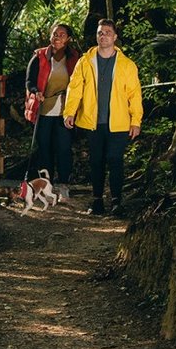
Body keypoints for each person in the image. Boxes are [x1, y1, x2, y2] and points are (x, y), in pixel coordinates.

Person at [63, 18, 142, 215]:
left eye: (107, 32)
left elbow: (135, 94)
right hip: (93, 122)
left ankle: (117, 202)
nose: (103, 35)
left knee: (115, 159)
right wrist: (70, 112)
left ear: (115, 37)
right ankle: (97, 200)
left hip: (120, 123)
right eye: (100, 32)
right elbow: (74, 89)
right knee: (96, 160)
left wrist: (136, 121)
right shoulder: (85, 62)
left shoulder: (127, 65)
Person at [24, 23, 80, 195]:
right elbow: (29, 81)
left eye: (62, 35)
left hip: (65, 110)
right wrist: (36, 91)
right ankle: (45, 183)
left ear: (68, 39)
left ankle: (63, 184)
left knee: (63, 147)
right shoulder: (39, 56)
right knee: (44, 147)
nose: (57, 37)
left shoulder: (74, 58)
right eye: (55, 34)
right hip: (44, 108)